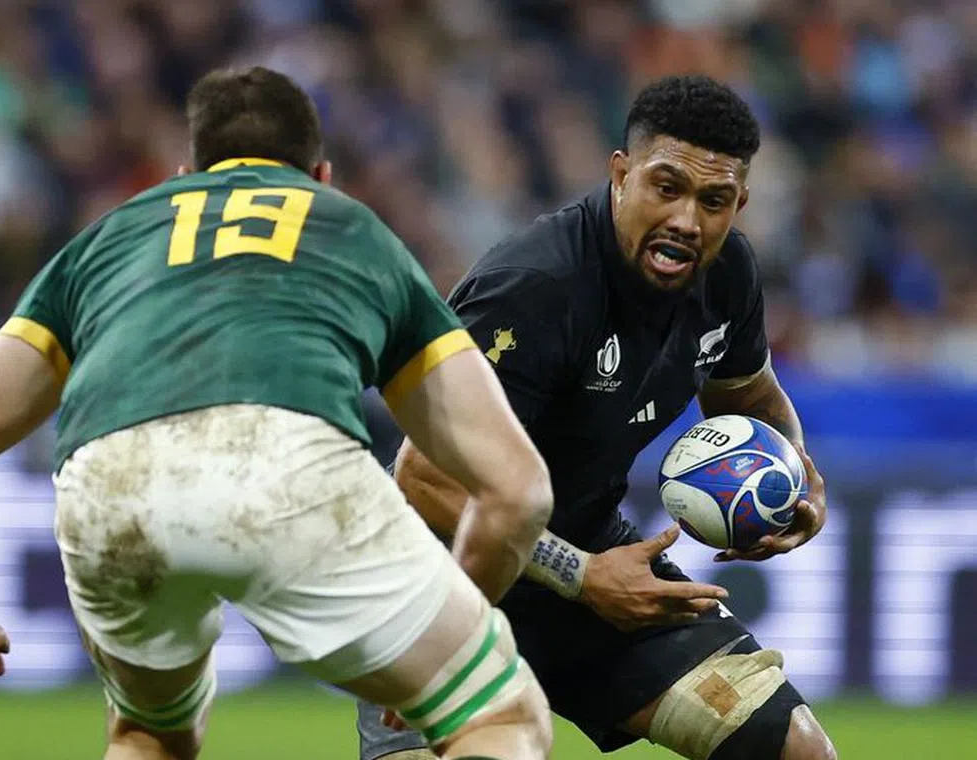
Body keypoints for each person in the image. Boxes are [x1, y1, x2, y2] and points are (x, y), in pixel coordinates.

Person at [0, 66, 558, 760]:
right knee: (500, 718)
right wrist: (433, 644)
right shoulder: (354, 231)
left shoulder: (103, 242)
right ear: (321, 176)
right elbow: (518, 492)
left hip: (109, 485)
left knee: (149, 732)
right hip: (288, 461)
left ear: (187, 174)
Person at [356, 76, 838, 760]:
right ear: (621, 174)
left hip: (591, 558)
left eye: (713, 201)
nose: (686, 220)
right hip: (452, 574)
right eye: (665, 187)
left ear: (739, 205)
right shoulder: (535, 289)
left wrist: (792, 475)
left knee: (796, 750)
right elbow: (424, 479)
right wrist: (582, 574)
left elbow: (751, 395)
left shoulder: (727, 272)